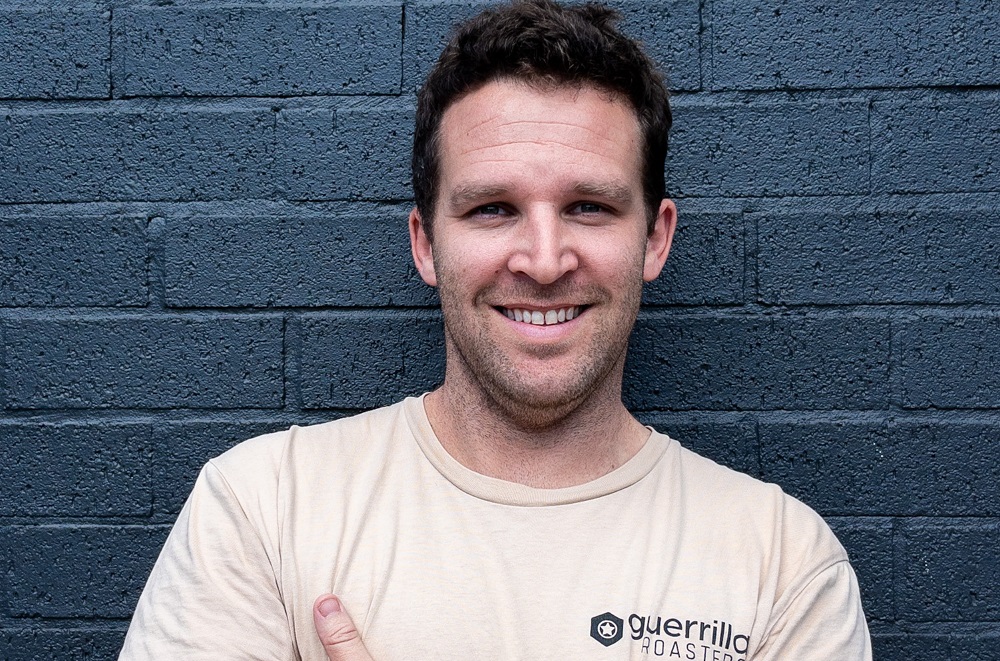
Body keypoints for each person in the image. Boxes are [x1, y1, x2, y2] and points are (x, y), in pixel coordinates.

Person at [120, 1, 872, 659]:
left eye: (588, 207)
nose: (543, 261)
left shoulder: (782, 563)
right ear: (425, 244)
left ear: (654, 238)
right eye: (492, 209)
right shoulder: (264, 509)